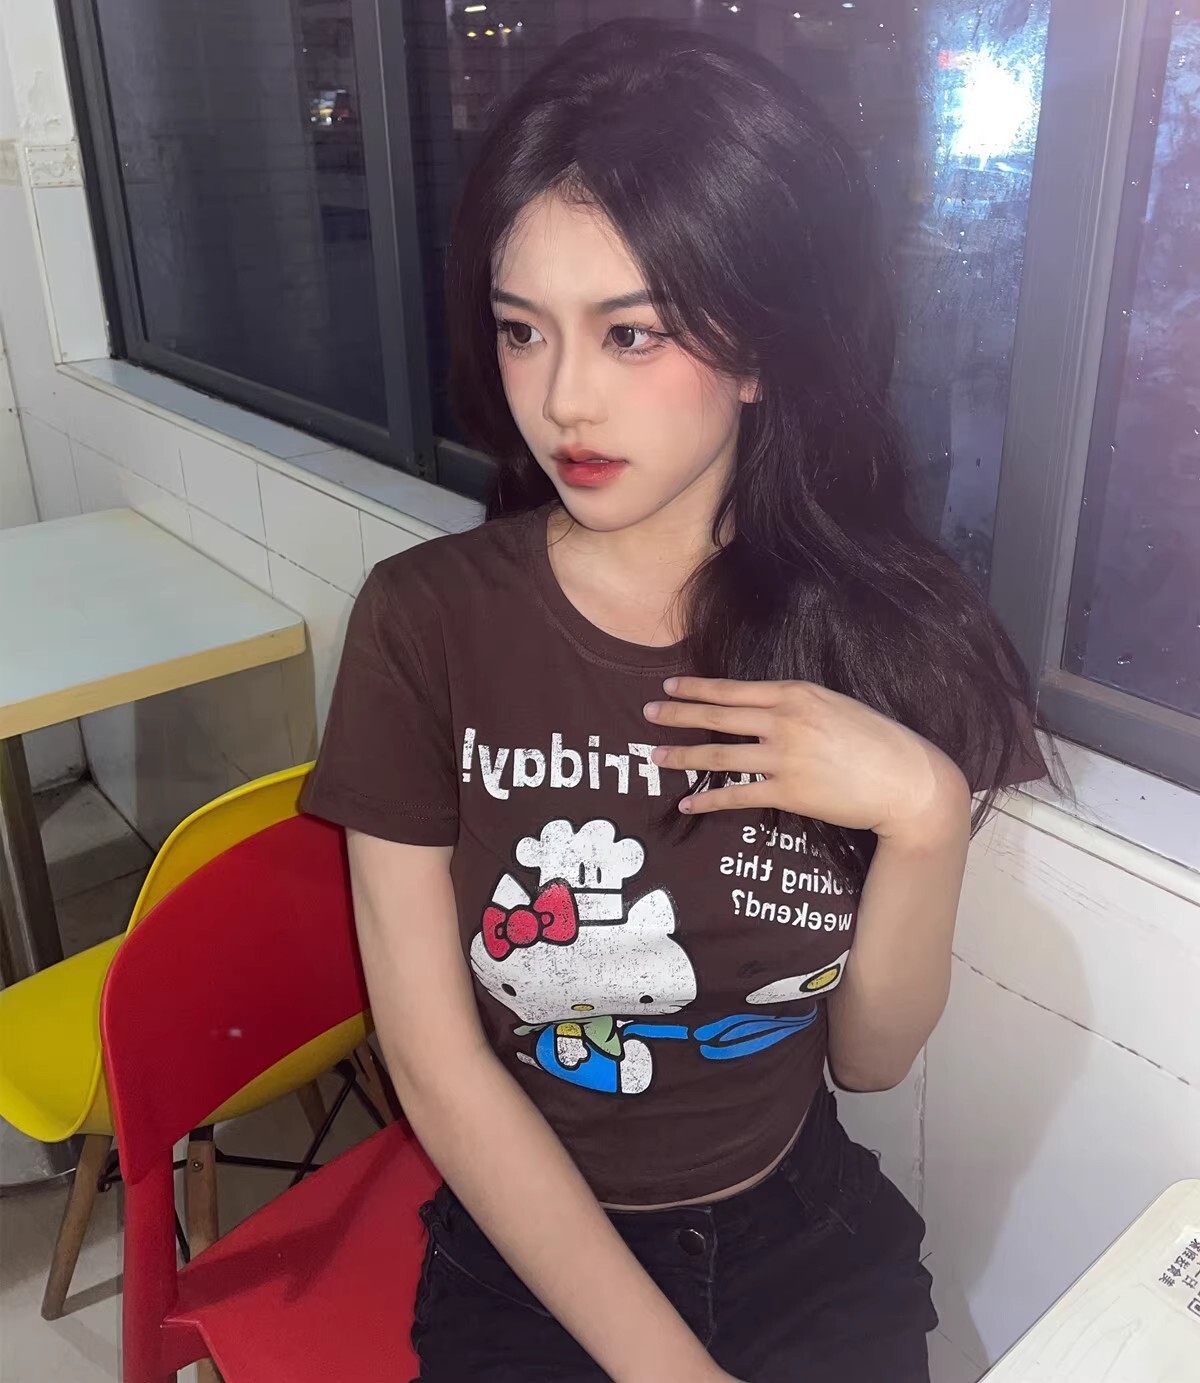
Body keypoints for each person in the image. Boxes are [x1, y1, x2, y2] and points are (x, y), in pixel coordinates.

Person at [303, 18, 1047, 1382]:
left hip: (802, 1235)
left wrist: (926, 812)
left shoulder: (874, 632)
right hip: (529, 1254)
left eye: (630, 333)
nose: (562, 400)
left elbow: (870, 1062)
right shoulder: (425, 625)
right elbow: (441, 1071)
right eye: (523, 331)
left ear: (761, 352)